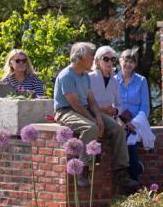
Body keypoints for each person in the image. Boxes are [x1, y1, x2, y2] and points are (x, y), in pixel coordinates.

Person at [53, 42, 131, 186]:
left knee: (118, 129)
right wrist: (93, 120)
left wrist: (99, 116)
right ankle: (83, 169)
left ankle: (121, 171)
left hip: (84, 109)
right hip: (66, 110)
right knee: (91, 128)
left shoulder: (84, 76)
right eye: (90, 55)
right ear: (81, 57)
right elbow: (74, 104)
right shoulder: (66, 76)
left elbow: (92, 100)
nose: (93, 59)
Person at [117, 48, 153, 185]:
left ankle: (132, 179)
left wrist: (134, 123)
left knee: (130, 139)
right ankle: (134, 171)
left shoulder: (141, 81)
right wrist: (120, 120)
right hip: (119, 120)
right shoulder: (113, 80)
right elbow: (112, 103)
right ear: (120, 61)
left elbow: (145, 107)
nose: (128, 64)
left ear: (135, 65)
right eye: (126, 60)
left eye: (132, 62)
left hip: (137, 122)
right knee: (124, 136)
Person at [88, 46, 122, 119]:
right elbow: (82, 102)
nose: (110, 62)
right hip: (92, 118)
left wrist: (115, 111)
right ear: (97, 60)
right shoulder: (88, 78)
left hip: (110, 119)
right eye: (106, 59)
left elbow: (120, 105)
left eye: (112, 59)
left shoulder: (115, 81)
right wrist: (100, 109)